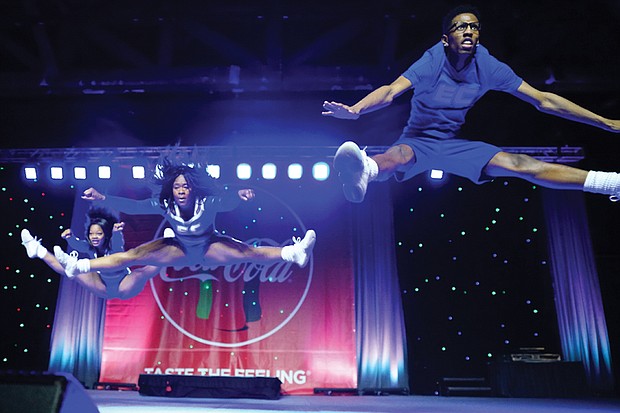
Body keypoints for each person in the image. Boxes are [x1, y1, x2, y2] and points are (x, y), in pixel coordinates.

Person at [322, 4, 620, 203]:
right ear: (445, 38)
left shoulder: (489, 67)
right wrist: (356, 109)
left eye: (474, 27)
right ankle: (366, 172)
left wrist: (606, 122)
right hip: (418, 140)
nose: (468, 31)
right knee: (399, 153)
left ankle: (611, 183)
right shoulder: (432, 61)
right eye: (460, 27)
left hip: (453, 144)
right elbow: (390, 92)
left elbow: (544, 100)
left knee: (518, 164)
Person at [53, 155, 317, 279]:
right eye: (177, 186)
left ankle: (294, 252)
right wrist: (103, 199)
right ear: (172, 189)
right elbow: (134, 207)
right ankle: (81, 266)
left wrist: (239, 195)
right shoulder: (165, 204)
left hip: (209, 247)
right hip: (178, 250)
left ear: (193, 188)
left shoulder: (207, 202)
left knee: (249, 251)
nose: (181, 191)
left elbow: (225, 202)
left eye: (186, 186)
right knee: (132, 256)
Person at [20, 207, 166, 299]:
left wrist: (116, 232)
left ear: (106, 235)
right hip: (102, 287)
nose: (94, 237)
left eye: (98, 233)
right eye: (91, 234)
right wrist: (70, 238)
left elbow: (117, 242)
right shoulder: (91, 248)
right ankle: (37, 249)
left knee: (141, 273)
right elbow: (79, 245)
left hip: (124, 286)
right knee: (70, 270)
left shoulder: (115, 248)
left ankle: (167, 244)